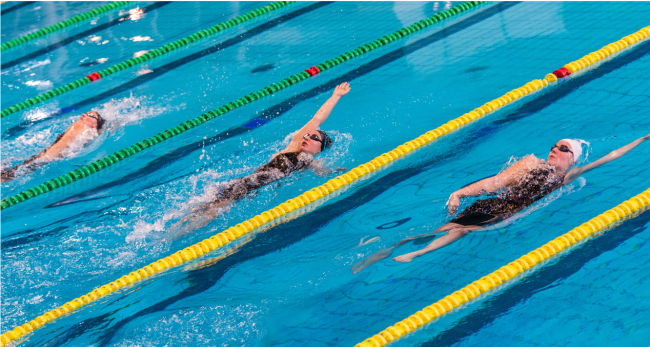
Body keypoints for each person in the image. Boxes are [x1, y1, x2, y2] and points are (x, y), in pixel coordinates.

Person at [352, 134, 649, 273]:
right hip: (496, 208)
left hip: (502, 211)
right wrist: (459, 193)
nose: (554, 149)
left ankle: (397, 250)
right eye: (554, 144)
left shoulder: (568, 177)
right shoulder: (530, 163)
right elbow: (495, 184)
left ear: (573, 158)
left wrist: (644, 138)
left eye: (562, 148)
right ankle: (406, 253)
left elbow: (611, 157)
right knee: (455, 229)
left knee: (449, 228)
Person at [171, 82, 351, 233]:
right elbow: (316, 120)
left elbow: (321, 172)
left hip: (251, 186)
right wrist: (336, 97)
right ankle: (174, 234)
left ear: (320, 148)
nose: (307, 137)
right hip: (248, 184)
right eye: (307, 135)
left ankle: (173, 232)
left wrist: (334, 172)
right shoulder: (294, 147)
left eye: (314, 138)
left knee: (207, 209)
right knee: (211, 211)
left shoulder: (311, 162)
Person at [1, 111, 105, 182]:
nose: (83, 115)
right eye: (86, 113)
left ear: (95, 124)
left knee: (8, 175)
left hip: (42, 158)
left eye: (90, 115)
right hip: (43, 159)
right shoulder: (82, 129)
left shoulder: (81, 127)